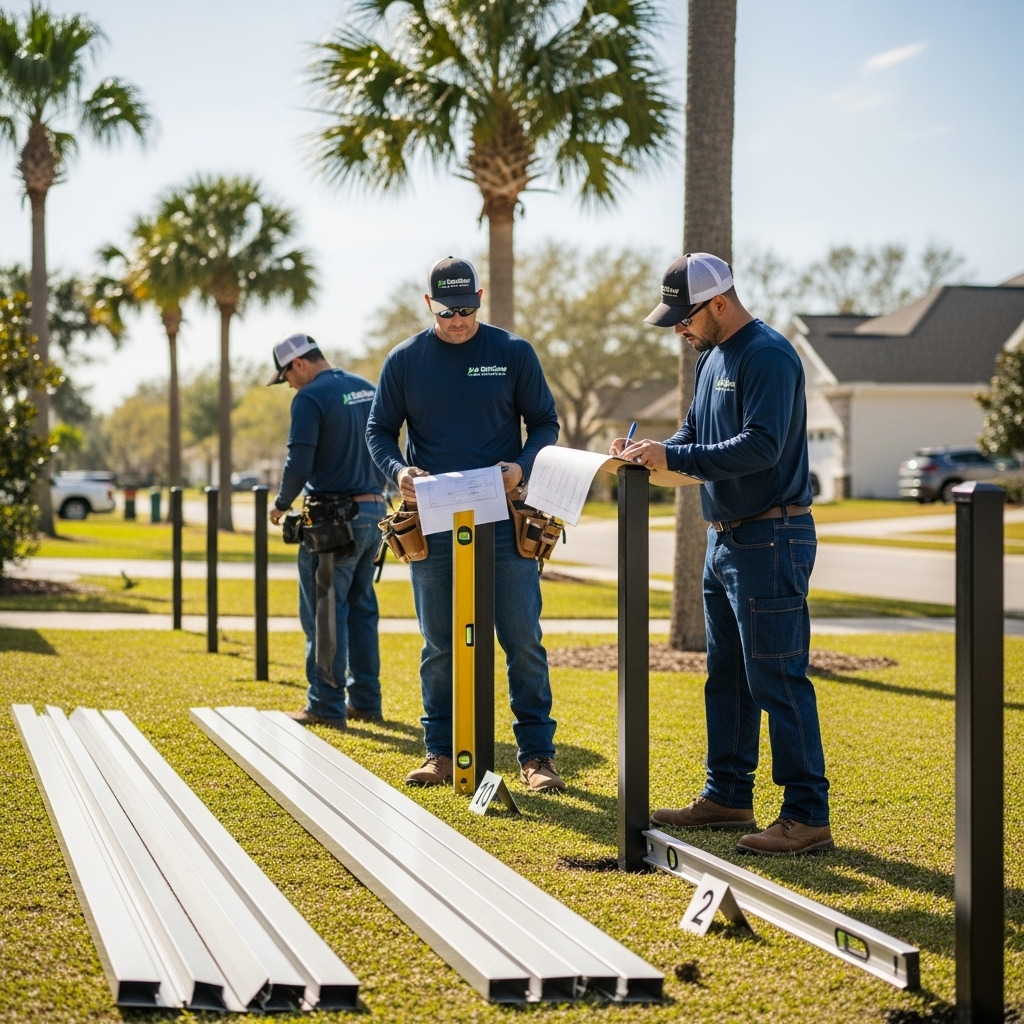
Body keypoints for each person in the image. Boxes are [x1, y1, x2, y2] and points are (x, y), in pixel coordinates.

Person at [611, 253, 832, 856]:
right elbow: (693, 434)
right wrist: (652, 450)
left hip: (771, 537)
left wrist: (676, 460)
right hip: (726, 538)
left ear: (719, 304)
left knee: (778, 679)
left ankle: (807, 815)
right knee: (728, 678)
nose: (678, 329)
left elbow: (760, 447)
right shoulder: (713, 357)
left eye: (685, 318)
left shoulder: (768, 355)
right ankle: (728, 796)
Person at [366, 257, 565, 790]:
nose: (459, 320)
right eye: (448, 310)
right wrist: (398, 469)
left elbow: (545, 422)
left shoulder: (512, 352)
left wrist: (521, 466)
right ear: (429, 303)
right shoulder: (404, 360)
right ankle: (442, 752)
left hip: (504, 519)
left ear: (480, 296)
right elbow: (379, 431)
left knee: (522, 637)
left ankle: (537, 756)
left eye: (468, 308)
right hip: (431, 520)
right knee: (439, 642)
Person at [267, 332, 387, 729]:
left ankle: (325, 705)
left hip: (334, 523)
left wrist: (281, 503)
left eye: (286, 376)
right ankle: (367, 701)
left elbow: (298, 461)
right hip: (374, 515)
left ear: (298, 364)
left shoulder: (310, 398)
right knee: (362, 610)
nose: (289, 384)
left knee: (325, 614)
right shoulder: (366, 389)